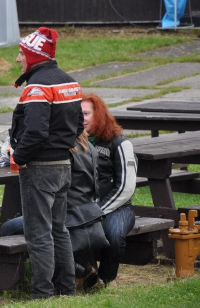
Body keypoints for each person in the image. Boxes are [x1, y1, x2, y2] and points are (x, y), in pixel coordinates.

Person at [9, 27, 84, 299]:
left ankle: (42, 294)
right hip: (64, 165)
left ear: (34, 56)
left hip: (39, 169)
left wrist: (18, 158)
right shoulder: (70, 82)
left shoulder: (37, 87)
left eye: (21, 53)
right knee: (59, 230)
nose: (18, 59)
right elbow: (78, 126)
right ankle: (67, 288)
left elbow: (36, 132)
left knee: (39, 234)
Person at [0, 131, 103, 290]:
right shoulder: (89, 146)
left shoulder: (59, 150)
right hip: (86, 212)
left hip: (68, 213)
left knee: (11, 228)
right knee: (51, 229)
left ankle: (76, 270)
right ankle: (75, 272)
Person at [78, 93, 137, 288]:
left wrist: (99, 211)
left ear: (99, 115)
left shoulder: (120, 143)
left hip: (118, 207)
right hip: (84, 206)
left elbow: (126, 188)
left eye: (86, 113)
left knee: (113, 233)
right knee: (71, 229)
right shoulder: (75, 142)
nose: (82, 118)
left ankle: (105, 279)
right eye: (78, 114)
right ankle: (86, 273)